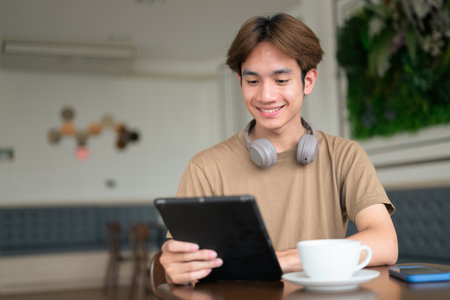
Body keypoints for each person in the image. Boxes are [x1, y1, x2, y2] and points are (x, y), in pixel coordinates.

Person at [160, 13, 398, 285]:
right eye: (252, 81)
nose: (265, 95)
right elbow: (183, 261)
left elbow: (385, 242)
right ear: (240, 81)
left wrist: (278, 261)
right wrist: (176, 266)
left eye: (281, 80)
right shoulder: (205, 167)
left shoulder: (345, 156)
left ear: (308, 81)